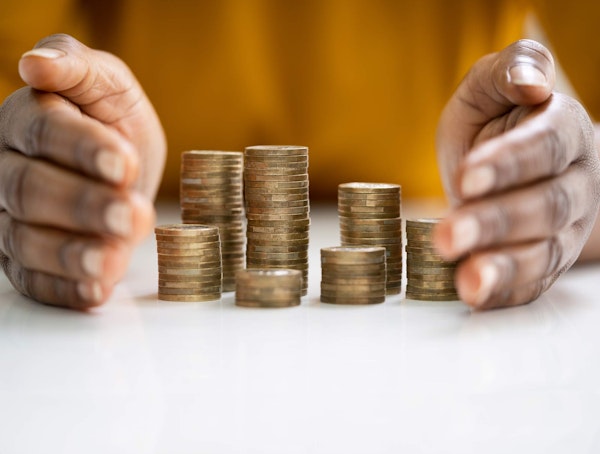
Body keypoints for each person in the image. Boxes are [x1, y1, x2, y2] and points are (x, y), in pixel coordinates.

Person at [0, 0, 599, 310]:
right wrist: (55, 157)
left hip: (451, 222)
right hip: (137, 224)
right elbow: (23, 85)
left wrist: (572, 180)